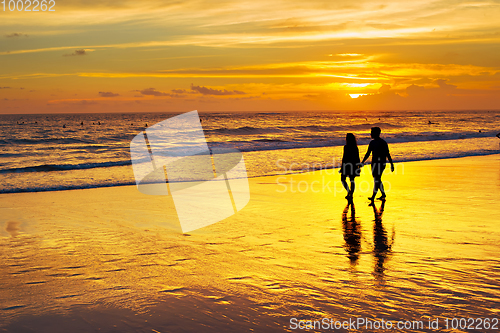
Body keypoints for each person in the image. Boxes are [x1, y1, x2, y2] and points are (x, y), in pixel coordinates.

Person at [362, 127, 394, 201]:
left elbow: (387, 154)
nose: (371, 134)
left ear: (376, 133)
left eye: (372, 132)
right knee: (377, 179)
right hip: (374, 163)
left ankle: (373, 196)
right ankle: (383, 194)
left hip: (380, 163)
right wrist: (362, 162)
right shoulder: (372, 142)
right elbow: (368, 153)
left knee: (377, 179)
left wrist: (391, 164)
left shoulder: (382, 142)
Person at [340, 133, 361, 199]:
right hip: (352, 165)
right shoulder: (354, 147)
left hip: (347, 164)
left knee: (344, 179)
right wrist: (358, 166)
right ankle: (350, 193)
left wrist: (342, 166)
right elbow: (357, 158)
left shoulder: (347, 147)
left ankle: (350, 192)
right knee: (351, 180)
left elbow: (344, 157)